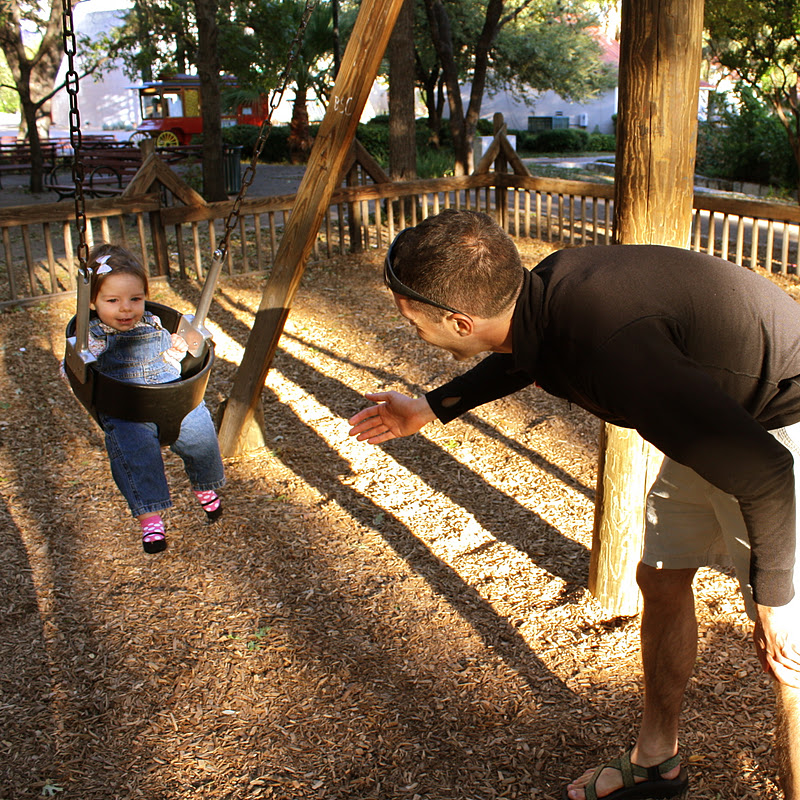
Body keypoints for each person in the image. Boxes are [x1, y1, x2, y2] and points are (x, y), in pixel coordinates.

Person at [347, 209, 800, 800]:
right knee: (661, 577)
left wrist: (774, 601)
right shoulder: (546, 292)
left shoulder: (611, 351)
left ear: (460, 322)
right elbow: (522, 355)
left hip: (774, 429)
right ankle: (656, 762)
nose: (412, 331)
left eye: (413, 323)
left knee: (789, 657)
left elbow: (767, 475)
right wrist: (431, 407)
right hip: (711, 418)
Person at [75, 243, 225, 554]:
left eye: (135, 299)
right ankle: (150, 519)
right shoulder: (92, 336)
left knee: (201, 431)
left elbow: (168, 359)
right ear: (92, 301)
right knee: (134, 455)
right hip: (126, 408)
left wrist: (178, 348)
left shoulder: (153, 322)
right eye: (112, 300)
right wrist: (76, 368)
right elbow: (74, 368)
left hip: (170, 396)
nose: (126, 309)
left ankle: (204, 485)